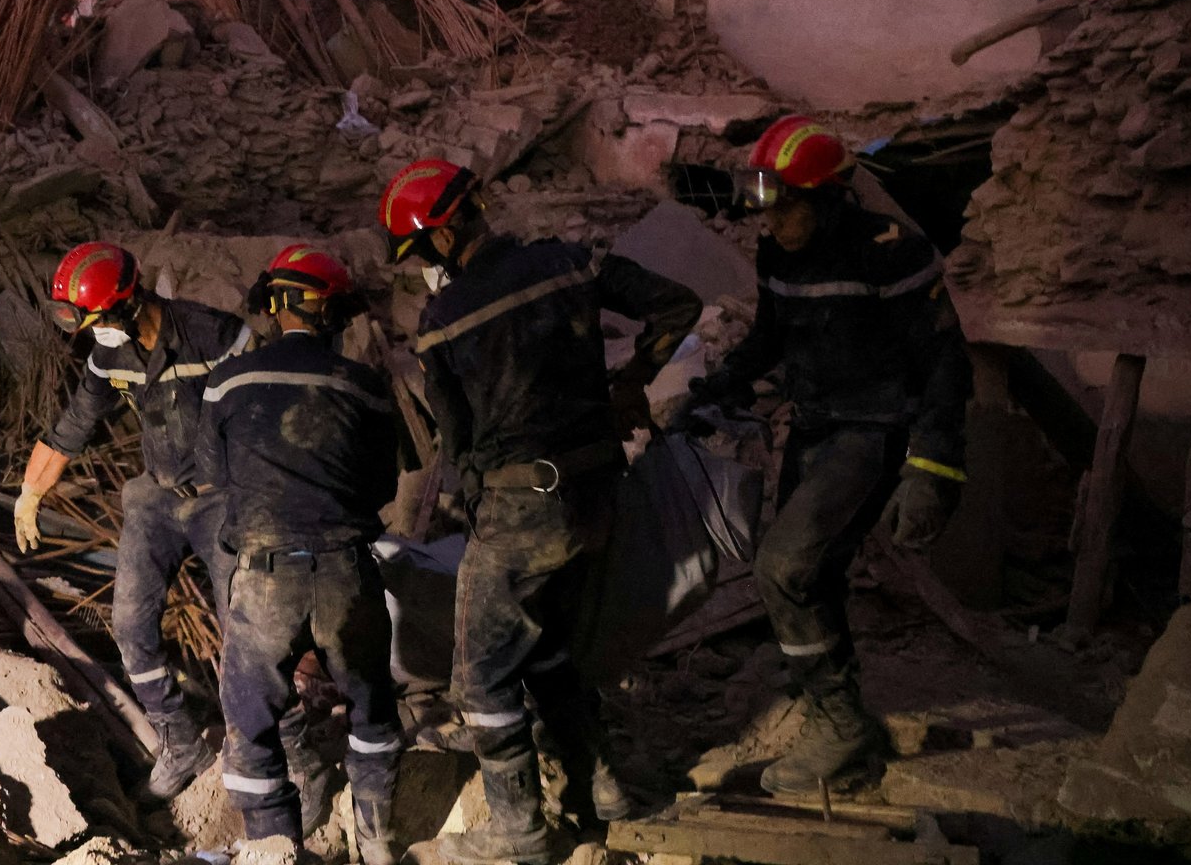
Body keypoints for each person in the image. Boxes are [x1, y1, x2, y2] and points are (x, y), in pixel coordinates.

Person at [379, 160, 702, 865]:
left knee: (481, 679)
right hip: (596, 495)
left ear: (440, 237)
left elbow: (457, 444)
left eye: (420, 250)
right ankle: (606, 790)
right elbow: (679, 305)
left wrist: (474, 508)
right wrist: (631, 379)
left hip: (522, 509)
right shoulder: (569, 262)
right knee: (553, 650)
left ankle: (520, 833)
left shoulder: (441, 320)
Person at [677, 115, 971, 795]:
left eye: (785, 204)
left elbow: (945, 365)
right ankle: (843, 736)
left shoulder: (892, 253)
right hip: (814, 429)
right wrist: (722, 382)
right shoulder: (780, 254)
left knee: (783, 567)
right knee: (813, 576)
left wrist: (932, 468)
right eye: (764, 202)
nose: (771, 220)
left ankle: (837, 725)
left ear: (829, 199)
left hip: (873, 433)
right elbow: (771, 338)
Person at [16, 241, 251, 800]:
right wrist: (29, 492)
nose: (88, 334)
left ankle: (265, 746)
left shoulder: (214, 336)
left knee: (247, 631)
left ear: (127, 304)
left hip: (224, 495)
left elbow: (264, 418)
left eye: (93, 319)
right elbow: (72, 425)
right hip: (159, 494)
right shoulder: (108, 353)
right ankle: (180, 740)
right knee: (129, 626)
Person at [196, 245, 403, 863]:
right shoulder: (366, 388)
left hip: (261, 582)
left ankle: (274, 851)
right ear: (334, 316)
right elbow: (383, 488)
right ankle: (377, 843)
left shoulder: (227, 380)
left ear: (273, 307)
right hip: (346, 573)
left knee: (254, 727)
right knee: (372, 710)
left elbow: (212, 472)